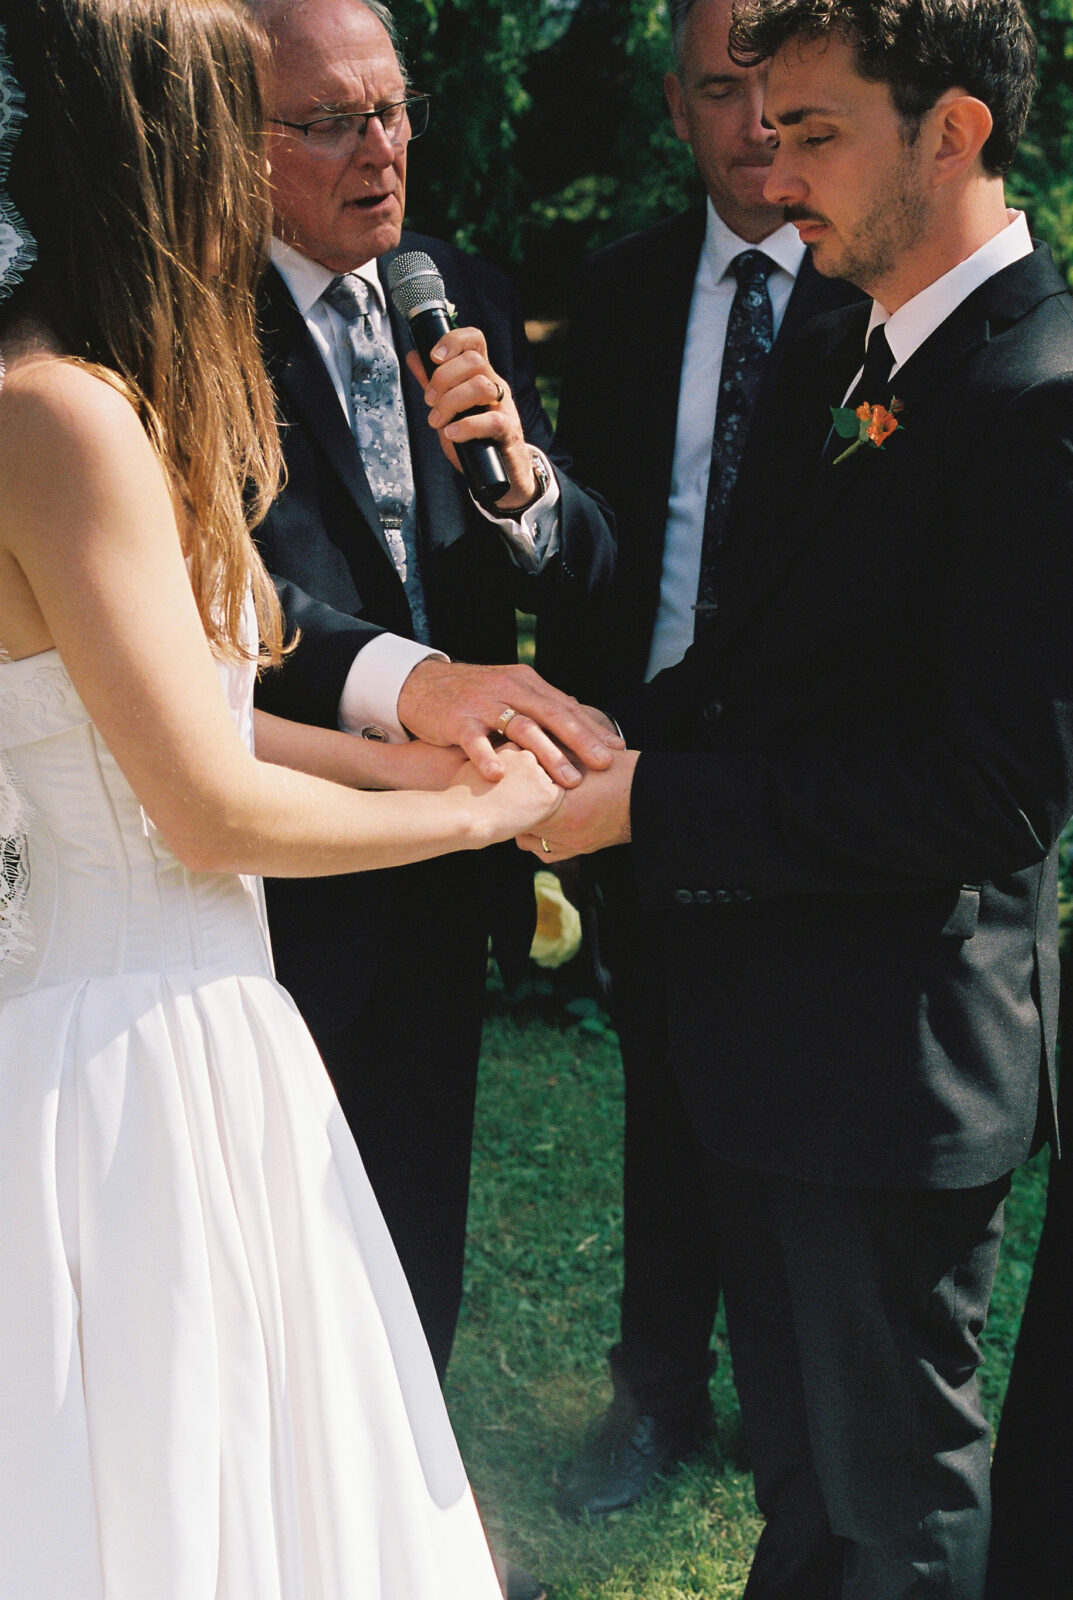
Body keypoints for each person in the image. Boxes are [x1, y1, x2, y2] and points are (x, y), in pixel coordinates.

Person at [0, 1, 566, 1594]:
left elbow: (183, 713)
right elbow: (206, 811)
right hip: (131, 1044)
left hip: (187, 1013)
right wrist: (476, 815)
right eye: (235, 139)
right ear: (161, 160)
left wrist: (412, 760)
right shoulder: (59, 415)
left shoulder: (84, 393)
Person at [522, 0, 1073, 1593]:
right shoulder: (855, 343)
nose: (770, 177)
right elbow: (758, 667)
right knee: (807, 1500)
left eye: (815, 134)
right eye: (765, 132)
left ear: (951, 133)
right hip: (768, 1049)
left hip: (892, 1075)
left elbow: (990, 796)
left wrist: (653, 806)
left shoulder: (1038, 397)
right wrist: (578, 737)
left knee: (893, 1514)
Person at [245, 0, 618, 1415]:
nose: (381, 149)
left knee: (413, 1236)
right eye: (330, 121)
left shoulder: (452, 292)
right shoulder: (189, 316)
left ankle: (406, 1490)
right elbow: (220, 597)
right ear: (239, 142)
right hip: (277, 859)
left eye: (392, 109)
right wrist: (410, 691)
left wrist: (523, 484)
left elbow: (585, 563)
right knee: (275, 1259)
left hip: (448, 867)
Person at [542, 0, 860, 1519]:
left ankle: (806, 1405)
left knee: (806, 1108)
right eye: (722, 91)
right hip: (641, 767)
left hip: (810, 788)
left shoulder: (876, 297)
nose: (756, 125)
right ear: (674, 106)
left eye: (778, 92)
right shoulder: (615, 294)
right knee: (663, 1089)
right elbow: (588, 551)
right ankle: (655, 1395)